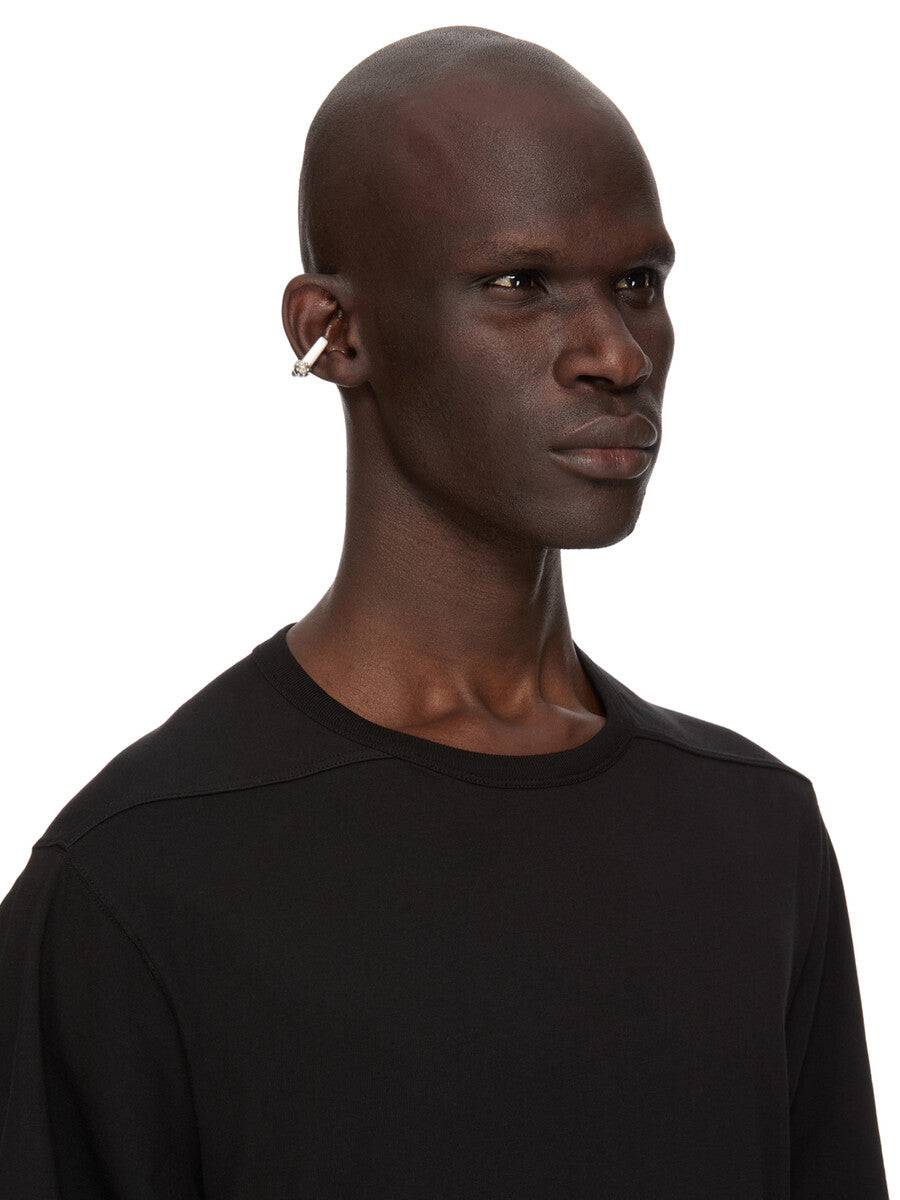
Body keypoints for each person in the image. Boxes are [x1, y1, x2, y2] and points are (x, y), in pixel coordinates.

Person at [0, 24, 890, 1199]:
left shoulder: (757, 840)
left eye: (638, 283)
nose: (618, 354)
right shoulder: (137, 881)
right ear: (332, 331)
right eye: (519, 285)